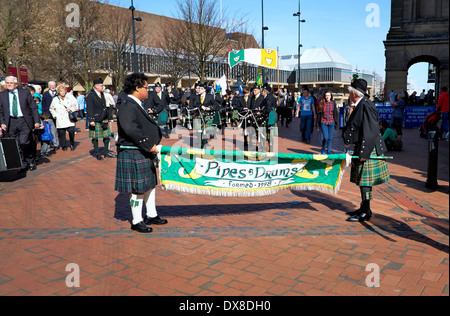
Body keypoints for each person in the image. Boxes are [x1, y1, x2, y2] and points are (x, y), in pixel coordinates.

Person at [115, 72, 167, 233]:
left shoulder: (135, 103)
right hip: (134, 151)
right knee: (137, 189)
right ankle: (136, 220)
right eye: (146, 87)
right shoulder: (126, 105)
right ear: (137, 88)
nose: (148, 90)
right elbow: (131, 129)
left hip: (142, 151)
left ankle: (151, 214)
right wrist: (148, 145)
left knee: (150, 185)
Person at [342, 79, 389, 222]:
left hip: (367, 147)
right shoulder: (360, 104)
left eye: (350, 91)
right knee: (362, 181)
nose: (349, 94)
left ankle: (366, 211)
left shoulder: (366, 105)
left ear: (354, 93)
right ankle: (363, 207)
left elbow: (370, 131)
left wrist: (364, 153)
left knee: (365, 182)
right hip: (363, 146)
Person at [0, 76, 40, 172]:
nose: (9, 84)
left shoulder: (24, 92)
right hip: (11, 122)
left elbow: (33, 107)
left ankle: (30, 160)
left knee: (24, 142)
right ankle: (23, 163)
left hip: (24, 121)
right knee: (16, 144)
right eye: (7, 83)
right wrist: (2, 123)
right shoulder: (2, 95)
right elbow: (0, 111)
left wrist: (37, 121)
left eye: (11, 83)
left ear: (16, 84)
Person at [86, 77, 114, 160]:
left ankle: (106, 152)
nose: (103, 87)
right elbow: (89, 108)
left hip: (103, 118)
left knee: (107, 136)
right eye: (101, 86)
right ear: (96, 86)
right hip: (96, 119)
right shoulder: (90, 95)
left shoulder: (101, 94)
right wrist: (91, 120)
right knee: (95, 137)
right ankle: (97, 153)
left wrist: (108, 116)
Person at [49, 85, 78, 151]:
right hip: (60, 118)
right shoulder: (55, 99)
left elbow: (75, 106)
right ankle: (64, 145)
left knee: (71, 131)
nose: (63, 92)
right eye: (61, 91)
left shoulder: (69, 98)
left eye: (64, 91)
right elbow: (51, 108)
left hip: (68, 118)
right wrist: (55, 115)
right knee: (62, 133)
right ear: (59, 92)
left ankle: (72, 143)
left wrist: (70, 109)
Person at [41, 81, 59, 149]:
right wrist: (45, 115)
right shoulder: (45, 94)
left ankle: (57, 143)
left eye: (54, 85)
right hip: (49, 115)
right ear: (49, 86)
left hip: (58, 114)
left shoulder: (58, 94)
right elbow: (44, 105)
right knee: (52, 130)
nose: (53, 87)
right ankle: (55, 144)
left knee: (57, 130)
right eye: (51, 85)